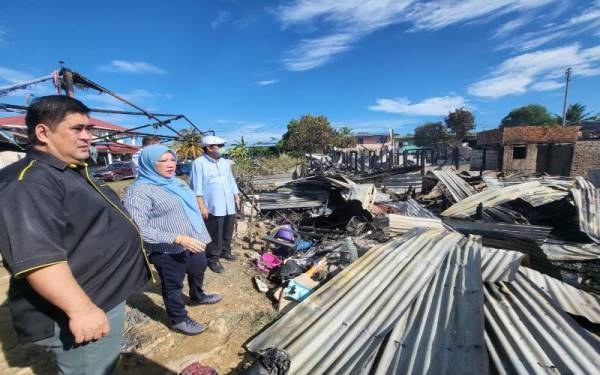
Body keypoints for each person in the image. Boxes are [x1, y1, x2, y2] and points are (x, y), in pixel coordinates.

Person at [0, 95, 150, 374]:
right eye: (77, 129)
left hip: (99, 295)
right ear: (43, 132)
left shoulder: (69, 171)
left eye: (89, 129)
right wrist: (81, 310)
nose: (87, 137)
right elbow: (39, 258)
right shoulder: (29, 183)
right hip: (81, 305)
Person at [123, 144, 222, 336]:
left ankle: (197, 296)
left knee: (198, 269)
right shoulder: (139, 191)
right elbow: (137, 228)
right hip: (167, 249)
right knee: (173, 285)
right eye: (162, 161)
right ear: (149, 164)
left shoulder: (177, 183)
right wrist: (177, 238)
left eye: (172, 160)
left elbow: (190, 210)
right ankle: (178, 319)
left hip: (193, 241)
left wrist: (199, 235)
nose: (170, 165)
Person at [189, 135, 240, 273]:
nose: (223, 148)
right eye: (220, 146)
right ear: (210, 148)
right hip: (213, 204)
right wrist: (201, 205)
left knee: (228, 229)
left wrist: (236, 195)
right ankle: (213, 258)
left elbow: (231, 180)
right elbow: (196, 187)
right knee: (214, 232)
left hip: (228, 202)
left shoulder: (224, 162)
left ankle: (225, 250)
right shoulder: (198, 163)